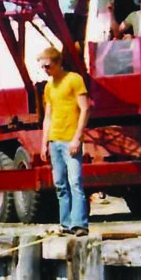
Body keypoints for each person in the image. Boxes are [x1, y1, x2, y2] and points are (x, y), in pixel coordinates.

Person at [38, 46, 91, 236]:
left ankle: (80, 224)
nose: (45, 69)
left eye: (47, 65)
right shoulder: (49, 86)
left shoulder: (74, 80)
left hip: (70, 140)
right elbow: (48, 116)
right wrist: (44, 142)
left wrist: (77, 137)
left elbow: (84, 109)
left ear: (58, 62)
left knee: (75, 182)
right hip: (55, 140)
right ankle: (66, 224)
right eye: (42, 67)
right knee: (60, 184)